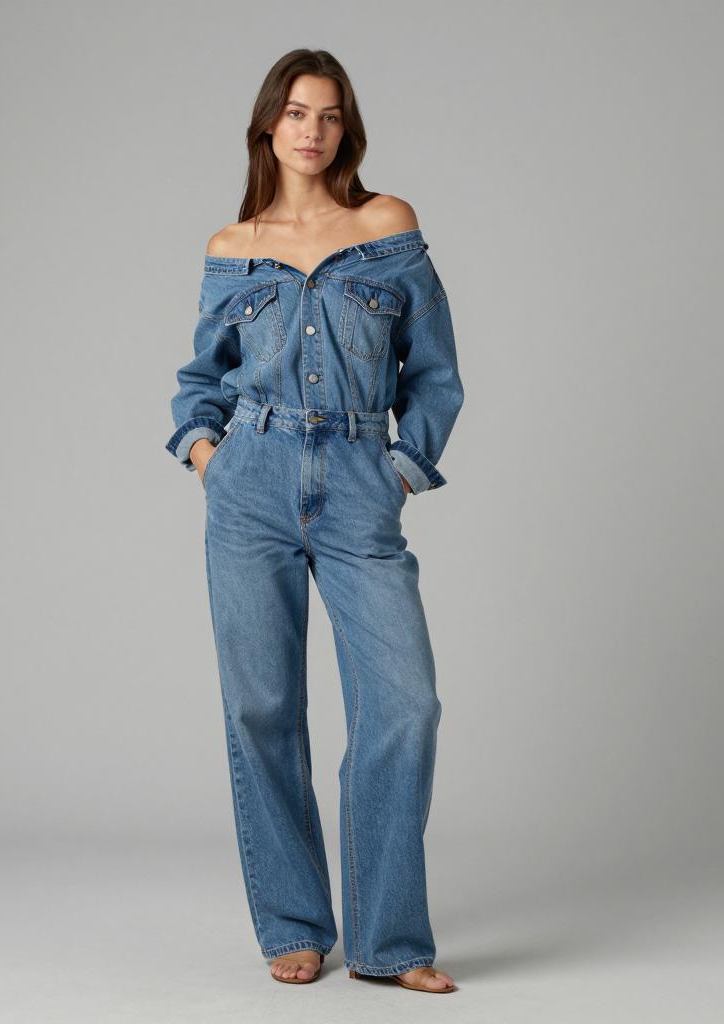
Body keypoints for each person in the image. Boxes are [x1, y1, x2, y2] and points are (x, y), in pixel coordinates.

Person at [165, 49, 464, 994]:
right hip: (249, 482)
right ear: (269, 124)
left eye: (330, 115)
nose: (313, 130)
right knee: (261, 709)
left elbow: (436, 373)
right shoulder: (233, 245)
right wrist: (208, 458)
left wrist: (399, 472)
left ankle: (390, 941)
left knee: (404, 703)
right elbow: (202, 379)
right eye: (297, 112)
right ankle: (294, 924)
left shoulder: (387, 227)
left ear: (348, 128)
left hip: (357, 478)